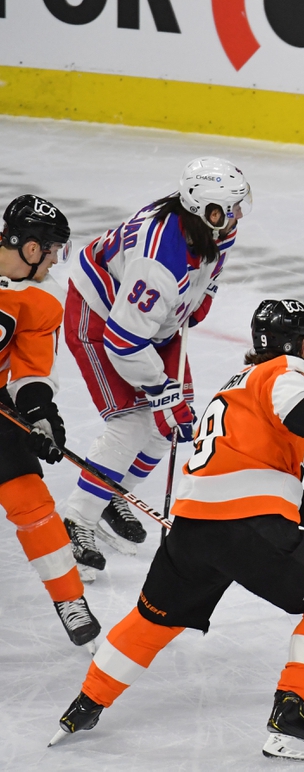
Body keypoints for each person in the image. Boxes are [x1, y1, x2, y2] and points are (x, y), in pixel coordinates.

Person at [52, 298, 304, 762]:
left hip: (191, 529)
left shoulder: (234, 389)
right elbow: (299, 410)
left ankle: (86, 704)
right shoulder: (284, 371)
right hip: (245, 525)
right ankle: (290, 717)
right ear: (302, 342)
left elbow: (254, 477)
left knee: (154, 618)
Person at [60, 157, 251, 570]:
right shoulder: (159, 259)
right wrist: (161, 391)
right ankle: (76, 519)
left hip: (151, 324)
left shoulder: (208, 226)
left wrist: (200, 299)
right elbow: (123, 342)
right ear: (205, 211)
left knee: (173, 425)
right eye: (229, 209)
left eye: (238, 206)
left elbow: (207, 267)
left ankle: (108, 494)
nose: (236, 216)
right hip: (101, 317)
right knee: (133, 422)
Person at [0, 195, 100, 647]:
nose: (58, 258)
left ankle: (69, 599)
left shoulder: (42, 296)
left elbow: (31, 368)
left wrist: (40, 413)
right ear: (31, 247)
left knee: (32, 501)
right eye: (54, 248)